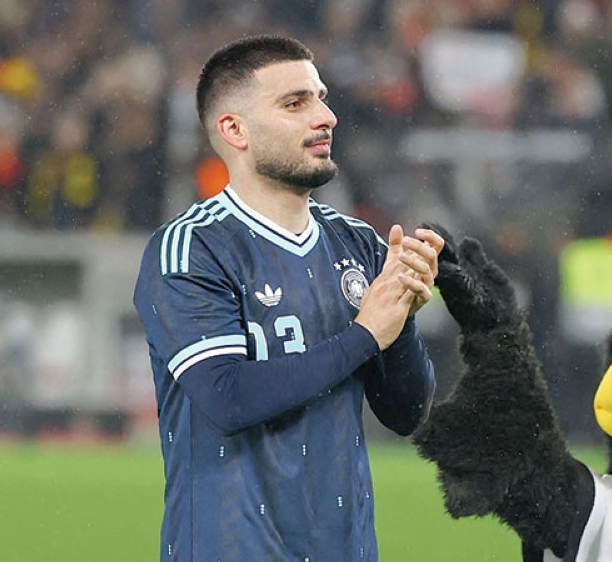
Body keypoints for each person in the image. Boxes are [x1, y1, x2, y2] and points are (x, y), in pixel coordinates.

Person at [133, 35, 443, 562]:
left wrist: (401, 318)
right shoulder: (191, 249)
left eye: (320, 97)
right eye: (295, 103)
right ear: (235, 130)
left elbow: (406, 412)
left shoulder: (358, 245)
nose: (325, 117)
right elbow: (228, 398)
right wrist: (365, 333)